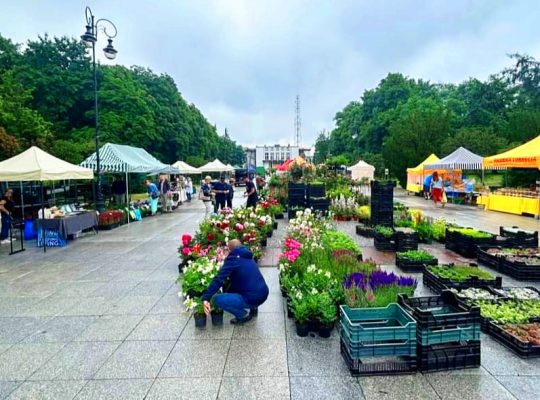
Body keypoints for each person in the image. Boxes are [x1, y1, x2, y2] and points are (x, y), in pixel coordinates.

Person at [202, 239, 269, 324]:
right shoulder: (247, 255)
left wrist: (206, 298)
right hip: (263, 293)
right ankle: (254, 308)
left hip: (253, 297)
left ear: (230, 250)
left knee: (217, 299)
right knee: (237, 286)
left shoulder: (233, 260)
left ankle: (242, 315)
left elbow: (218, 279)